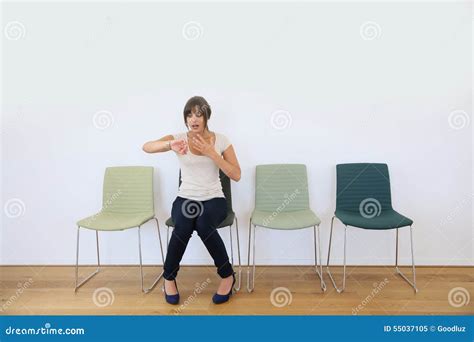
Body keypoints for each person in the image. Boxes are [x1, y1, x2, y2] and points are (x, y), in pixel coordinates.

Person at [142, 96, 241, 305]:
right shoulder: (179, 138)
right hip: (185, 198)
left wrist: (212, 153)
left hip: (214, 199)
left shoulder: (221, 140)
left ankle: (227, 276)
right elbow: (147, 147)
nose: (193, 118)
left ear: (206, 117)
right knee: (184, 224)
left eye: (198, 114)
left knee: (205, 224)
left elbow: (236, 174)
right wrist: (170, 145)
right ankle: (168, 278)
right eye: (189, 114)